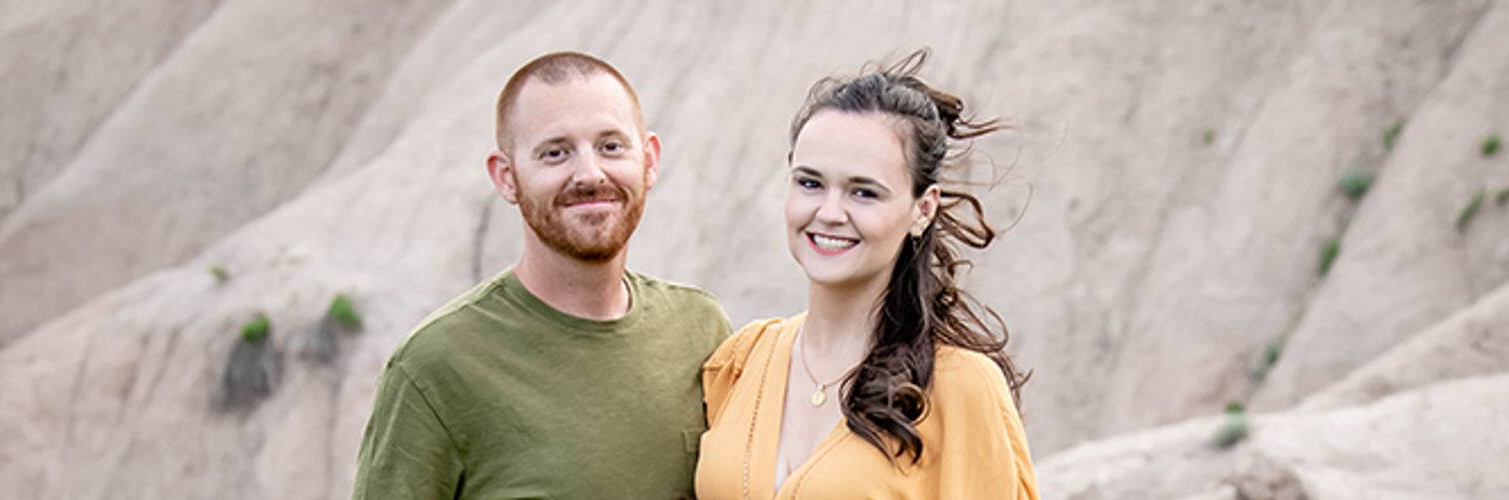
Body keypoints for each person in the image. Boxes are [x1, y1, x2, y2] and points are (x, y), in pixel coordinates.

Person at [351, 51, 731, 499]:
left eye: (611, 146)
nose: (590, 174)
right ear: (507, 178)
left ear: (649, 160)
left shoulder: (702, 332)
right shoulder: (435, 368)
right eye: (556, 153)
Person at [694, 49, 1038, 499]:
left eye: (864, 192)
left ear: (923, 209)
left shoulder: (962, 388)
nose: (829, 213)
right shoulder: (742, 360)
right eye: (810, 183)